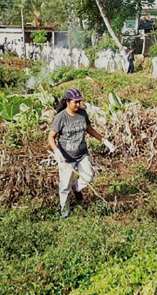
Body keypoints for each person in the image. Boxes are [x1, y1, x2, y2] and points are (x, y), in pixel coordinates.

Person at [47, 89, 116, 218]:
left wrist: (104, 140)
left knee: (89, 175)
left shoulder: (83, 114)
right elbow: (51, 137)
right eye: (75, 102)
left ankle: (76, 188)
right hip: (66, 157)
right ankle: (64, 212)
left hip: (82, 153)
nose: (78, 105)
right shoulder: (60, 117)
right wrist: (56, 151)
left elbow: (89, 129)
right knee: (64, 186)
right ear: (68, 102)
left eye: (79, 102)